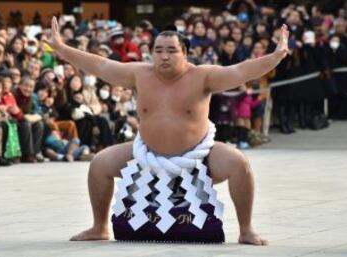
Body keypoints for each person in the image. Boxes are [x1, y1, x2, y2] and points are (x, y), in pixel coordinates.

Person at [47, 17, 289, 245]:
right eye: (158, 50)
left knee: (239, 164)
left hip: (198, 157)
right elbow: (100, 65)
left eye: (171, 50)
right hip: (146, 156)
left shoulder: (203, 76)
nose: (164, 56)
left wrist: (275, 57)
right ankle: (99, 227)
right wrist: (61, 48)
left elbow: (240, 71)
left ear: (184, 53)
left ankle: (246, 229)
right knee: (99, 163)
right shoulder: (138, 74)